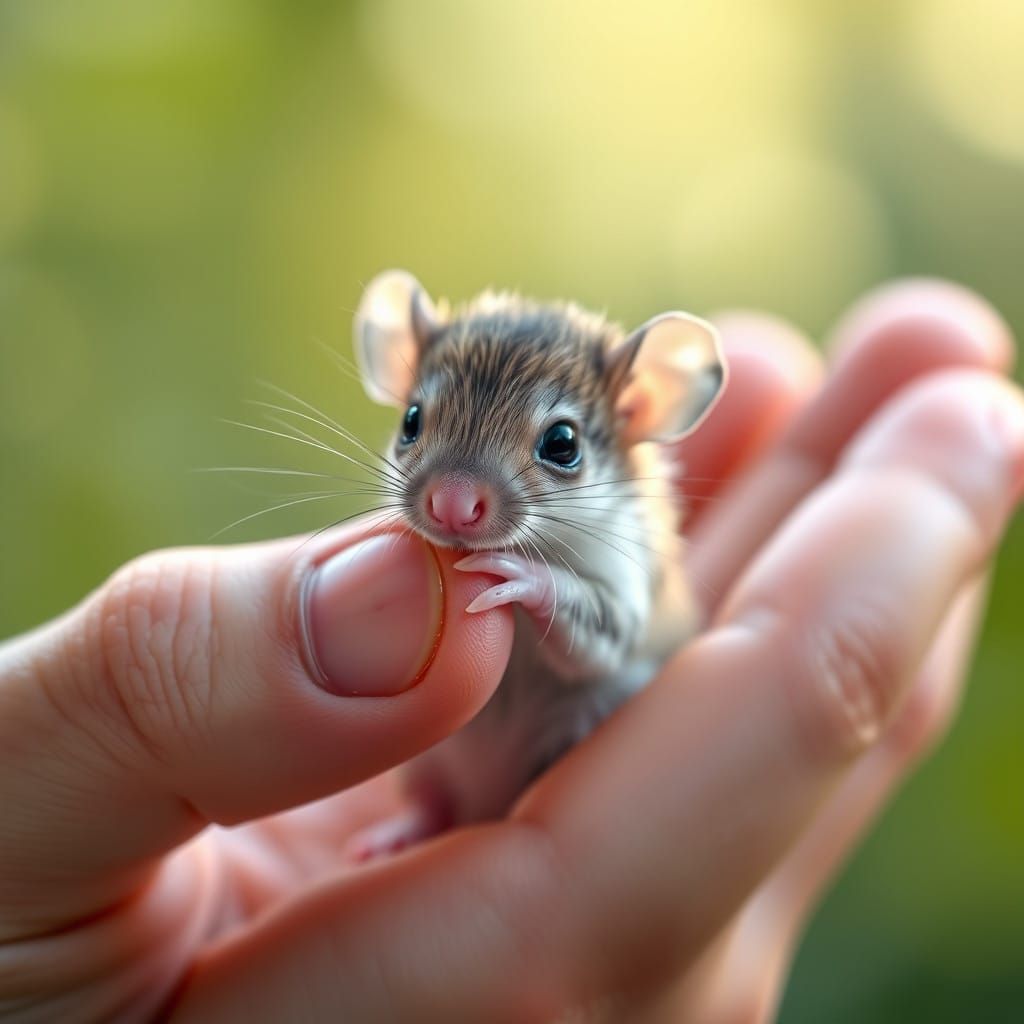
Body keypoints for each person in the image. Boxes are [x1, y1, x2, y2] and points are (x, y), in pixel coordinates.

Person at [0, 280, 1020, 1022]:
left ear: (638, 419)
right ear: (397, 375)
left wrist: (544, 591)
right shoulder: (420, 535)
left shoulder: (621, 548)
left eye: (555, 446)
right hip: (456, 769)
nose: (451, 496)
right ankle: (436, 815)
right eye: (420, 427)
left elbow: (608, 645)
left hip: (578, 739)